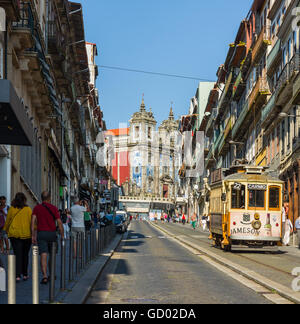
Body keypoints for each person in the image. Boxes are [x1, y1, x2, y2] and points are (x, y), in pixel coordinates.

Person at [31, 191, 64, 285]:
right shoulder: (54, 208)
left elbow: (32, 222)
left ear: (41, 198)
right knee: (52, 255)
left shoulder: (36, 208)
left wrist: (33, 235)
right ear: (49, 198)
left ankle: (45, 276)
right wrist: (62, 235)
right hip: (52, 234)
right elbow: (59, 222)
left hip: (41, 234)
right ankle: (51, 273)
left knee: (43, 255)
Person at [3, 193, 32, 282]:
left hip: (14, 235)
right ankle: (25, 274)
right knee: (25, 255)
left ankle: (17, 275)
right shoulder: (28, 210)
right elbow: (32, 222)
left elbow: (7, 221)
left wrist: (5, 230)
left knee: (18, 255)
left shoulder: (12, 209)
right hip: (27, 235)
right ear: (24, 199)